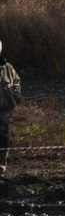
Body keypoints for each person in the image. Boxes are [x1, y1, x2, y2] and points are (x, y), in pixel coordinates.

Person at [0, 38, 19, 184]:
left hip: (5, 109)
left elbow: (17, 81)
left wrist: (15, 95)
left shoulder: (7, 67)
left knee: (4, 138)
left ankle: (1, 166)